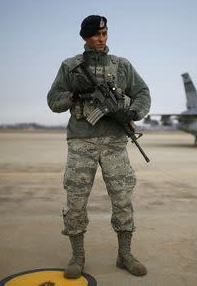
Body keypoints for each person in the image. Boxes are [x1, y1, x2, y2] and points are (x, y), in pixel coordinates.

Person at [47, 15, 151, 278]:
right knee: (76, 199)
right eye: (95, 35)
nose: (101, 39)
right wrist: (73, 95)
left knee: (122, 197)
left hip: (115, 141)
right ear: (85, 37)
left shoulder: (122, 65)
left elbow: (142, 92)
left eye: (104, 33)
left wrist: (133, 112)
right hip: (81, 140)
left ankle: (125, 254)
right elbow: (53, 100)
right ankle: (78, 256)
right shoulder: (70, 67)